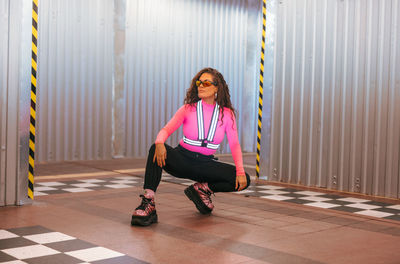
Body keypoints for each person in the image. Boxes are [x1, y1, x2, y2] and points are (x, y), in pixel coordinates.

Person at [131, 67, 250, 226]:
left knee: (244, 179)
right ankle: (148, 202)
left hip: (205, 165)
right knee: (155, 149)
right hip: (182, 160)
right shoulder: (187, 109)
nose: (200, 85)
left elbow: (235, 144)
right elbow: (166, 129)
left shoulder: (227, 114)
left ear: (217, 88)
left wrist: (240, 171)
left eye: (206, 83)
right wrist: (159, 143)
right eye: (199, 82)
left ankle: (202, 190)